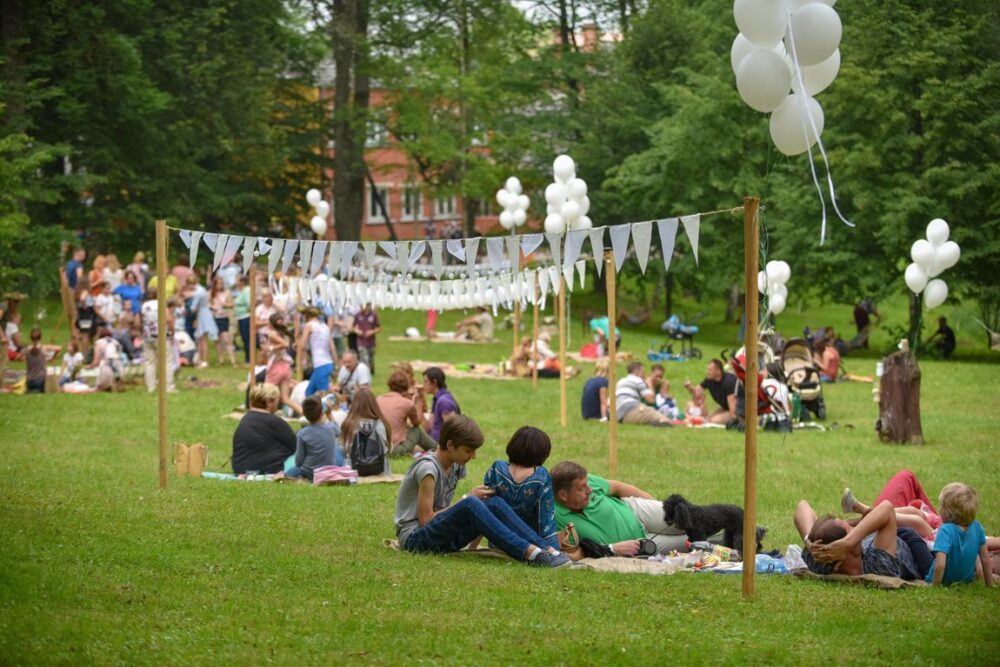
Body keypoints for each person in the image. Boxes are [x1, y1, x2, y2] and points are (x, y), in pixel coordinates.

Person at [393, 415, 571, 568]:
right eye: (468, 451)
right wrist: (466, 498)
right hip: (415, 539)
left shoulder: (455, 466)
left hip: (441, 538)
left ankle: (551, 551)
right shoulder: (427, 469)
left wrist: (472, 546)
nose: (473, 456)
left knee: (494, 503)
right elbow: (426, 521)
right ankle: (531, 554)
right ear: (450, 445)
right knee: (471, 503)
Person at [551, 460, 695, 554]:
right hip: (640, 544)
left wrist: (659, 507)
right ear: (563, 495)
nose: (589, 490)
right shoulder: (553, 516)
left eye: (587, 484)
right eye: (582, 488)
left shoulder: (584, 481)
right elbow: (568, 554)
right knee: (693, 542)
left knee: (692, 519)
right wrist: (611, 550)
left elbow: (619, 487)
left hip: (635, 510)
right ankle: (716, 540)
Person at [483, 426, 559, 550]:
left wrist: (472, 547)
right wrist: (555, 553)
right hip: (528, 547)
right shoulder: (541, 477)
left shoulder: (497, 469)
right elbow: (546, 522)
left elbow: (483, 509)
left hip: (497, 544)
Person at [927, 483, 992, 586]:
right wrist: (989, 584)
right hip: (965, 581)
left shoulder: (945, 530)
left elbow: (940, 565)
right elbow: (985, 558)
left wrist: (934, 586)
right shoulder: (977, 527)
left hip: (945, 582)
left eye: (941, 505)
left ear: (947, 511)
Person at [232, 383, 296, 474]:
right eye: (277, 400)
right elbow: (296, 446)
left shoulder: (245, 419)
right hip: (268, 470)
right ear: (270, 402)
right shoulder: (275, 422)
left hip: (240, 469)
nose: (278, 403)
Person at [282, 396, 343, 481]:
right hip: (328, 471)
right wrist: (329, 414)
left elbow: (299, 460)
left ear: (304, 414)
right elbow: (338, 431)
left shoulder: (302, 433)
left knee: (289, 473)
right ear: (322, 413)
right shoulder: (331, 429)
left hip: (309, 472)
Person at [378, 371, 437, 458]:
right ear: (406, 386)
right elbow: (416, 423)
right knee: (416, 430)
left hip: (379, 448)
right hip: (395, 450)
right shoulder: (406, 403)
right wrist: (419, 400)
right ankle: (437, 449)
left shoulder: (378, 400)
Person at [340, 388, 391, 475]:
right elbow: (387, 450)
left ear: (354, 404)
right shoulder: (381, 424)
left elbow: (345, 449)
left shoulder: (349, 424)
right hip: (380, 470)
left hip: (354, 470)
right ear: (374, 404)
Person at [140, 288, 176, 393]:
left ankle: (151, 387)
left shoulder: (144, 306)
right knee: (166, 361)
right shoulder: (161, 304)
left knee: (149, 362)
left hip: (148, 336)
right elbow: (169, 319)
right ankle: (168, 386)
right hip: (161, 335)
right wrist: (172, 331)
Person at [264, 312, 300, 416]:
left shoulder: (272, 334)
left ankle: (264, 415)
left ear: (270, 323)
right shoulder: (282, 333)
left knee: (266, 394)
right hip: (286, 367)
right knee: (285, 398)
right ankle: (303, 413)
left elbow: (284, 344)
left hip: (276, 367)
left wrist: (270, 348)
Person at [299, 306, 336, 397]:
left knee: (325, 396)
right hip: (328, 362)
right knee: (308, 393)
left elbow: (302, 345)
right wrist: (336, 365)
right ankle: (309, 410)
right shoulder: (325, 327)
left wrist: (301, 360)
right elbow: (332, 348)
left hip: (320, 364)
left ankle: (333, 410)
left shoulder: (309, 325)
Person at [686, 359, 737, 424]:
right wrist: (690, 388)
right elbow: (696, 392)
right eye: (707, 369)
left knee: (713, 420)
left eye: (710, 370)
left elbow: (733, 405)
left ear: (718, 371)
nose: (707, 372)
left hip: (739, 410)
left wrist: (735, 420)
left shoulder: (729, 381)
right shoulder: (709, 380)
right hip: (726, 408)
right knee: (708, 417)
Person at [184, 273, 218, 368]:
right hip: (202, 313)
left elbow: (193, 308)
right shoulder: (200, 290)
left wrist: (188, 303)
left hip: (203, 314)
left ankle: (204, 361)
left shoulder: (198, 292)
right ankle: (201, 359)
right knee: (201, 339)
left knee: (203, 340)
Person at [422, 366, 459, 444]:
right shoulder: (437, 399)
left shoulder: (444, 401)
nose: (423, 385)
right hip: (432, 440)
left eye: (426, 381)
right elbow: (428, 428)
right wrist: (418, 402)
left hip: (438, 445)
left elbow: (451, 431)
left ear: (434, 382)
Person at [209, 275, 236, 367]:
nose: (219, 286)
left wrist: (225, 304)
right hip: (214, 318)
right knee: (217, 340)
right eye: (218, 284)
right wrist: (212, 307)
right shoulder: (211, 293)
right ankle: (221, 359)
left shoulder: (227, 293)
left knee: (226, 339)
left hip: (223, 317)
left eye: (221, 284)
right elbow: (208, 304)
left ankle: (233, 360)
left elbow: (232, 304)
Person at [353, 302, 381, 374]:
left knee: (370, 358)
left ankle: (371, 370)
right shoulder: (357, 315)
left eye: (363, 306)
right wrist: (357, 331)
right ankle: (365, 373)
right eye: (361, 306)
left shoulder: (373, 315)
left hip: (371, 342)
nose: (362, 308)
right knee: (364, 359)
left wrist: (371, 332)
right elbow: (352, 327)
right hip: (361, 341)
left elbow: (379, 328)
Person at [232, 274, 252, 364]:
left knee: (247, 338)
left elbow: (249, 304)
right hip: (240, 317)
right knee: (244, 338)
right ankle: (247, 358)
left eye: (237, 280)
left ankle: (249, 359)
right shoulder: (240, 291)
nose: (235, 282)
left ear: (242, 282)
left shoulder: (247, 291)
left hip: (246, 317)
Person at [24, 327, 47, 393]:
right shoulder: (43, 349)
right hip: (40, 380)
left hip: (29, 380)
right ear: (40, 337)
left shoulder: (26, 350)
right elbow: (58, 348)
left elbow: (19, 357)